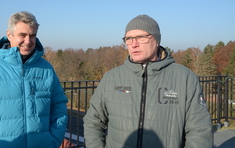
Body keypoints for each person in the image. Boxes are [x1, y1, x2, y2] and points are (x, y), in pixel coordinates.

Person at [83, 15, 213, 148]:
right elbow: (93, 121)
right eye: (129, 39)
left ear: (156, 40)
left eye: (141, 37)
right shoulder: (111, 78)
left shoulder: (185, 78)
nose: (134, 44)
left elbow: (200, 132)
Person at [0, 11, 68, 148]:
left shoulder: (46, 69)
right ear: (9, 35)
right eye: (22, 35)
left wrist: (53, 140)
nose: (28, 41)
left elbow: (59, 106)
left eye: (32, 35)